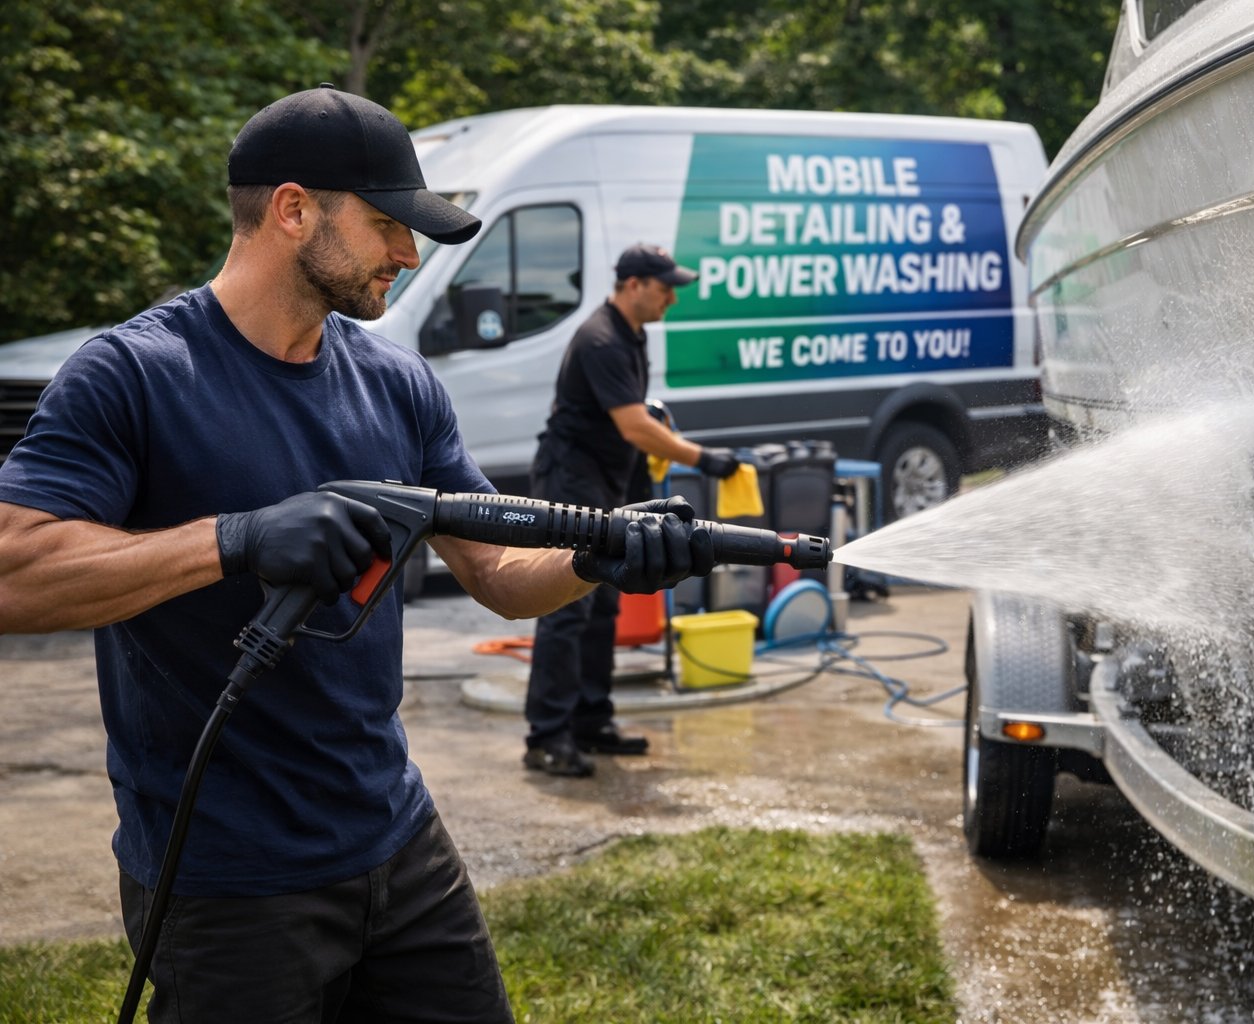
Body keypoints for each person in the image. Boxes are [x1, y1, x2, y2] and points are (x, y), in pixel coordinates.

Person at [0, 85, 716, 1023]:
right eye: (387, 225)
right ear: (293, 211)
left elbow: (497, 575)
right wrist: (235, 538)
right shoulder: (135, 374)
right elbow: (17, 572)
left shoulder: (396, 383)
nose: (407, 254)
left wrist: (601, 556)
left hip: (397, 839)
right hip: (226, 880)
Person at [522, 243, 741, 777]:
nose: (671, 297)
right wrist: (704, 459)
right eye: (664, 286)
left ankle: (591, 721)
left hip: (605, 481)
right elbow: (635, 425)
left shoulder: (632, 336)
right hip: (570, 481)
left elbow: (642, 418)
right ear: (633, 284)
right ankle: (547, 738)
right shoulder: (600, 337)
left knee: (602, 602)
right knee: (566, 610)